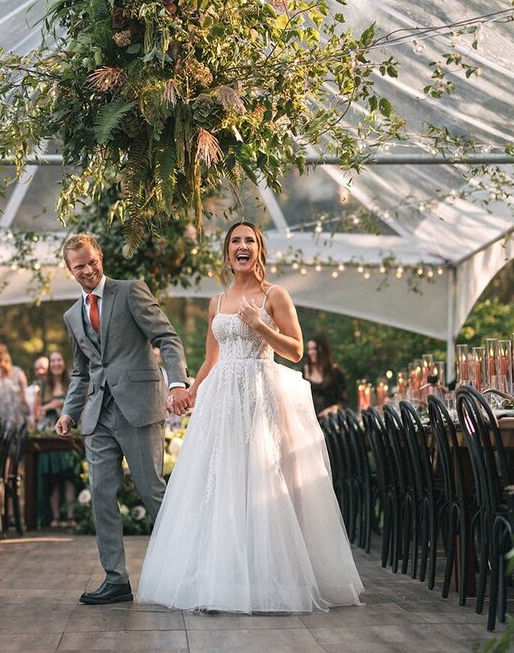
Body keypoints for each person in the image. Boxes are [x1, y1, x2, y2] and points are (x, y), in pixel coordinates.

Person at [137, 221, 362, 613]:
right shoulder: (217, 302)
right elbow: (212, 357)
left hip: (260, 393)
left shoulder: (275, 295)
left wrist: (260, 324)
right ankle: (220, 578)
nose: (242, 246)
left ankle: (269, 578)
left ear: (258, 250)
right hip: (222, 399)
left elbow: (293, 350)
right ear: (227, 253)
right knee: (221, 481)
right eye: (235, 241)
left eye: (249, 241)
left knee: (262, 479)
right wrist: (191, 389)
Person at [54, 233, 191, 606]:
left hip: (139, 405)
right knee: (100, 494)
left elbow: (166, 337)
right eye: (78, 266)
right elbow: (81, 372)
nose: (87, 269)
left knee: (151, 489)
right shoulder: (72, 315)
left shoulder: (130, 291)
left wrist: (177, 384)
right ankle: (116, 579)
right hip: (98, 415)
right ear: (70, 270)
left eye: (91, 261)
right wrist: (69, 411)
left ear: (100, 257)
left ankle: (189, 567)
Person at [38, 350, 79, 526]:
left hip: (68, 434)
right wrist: (51, 405)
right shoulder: (42, 387)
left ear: (63, 363)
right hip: (49, 436)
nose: (56, 363)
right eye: (52, 361)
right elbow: (35, 412)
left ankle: (70, 516)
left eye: (59, 360)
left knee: (69, 476)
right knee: (53, 478)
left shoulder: (71, 383)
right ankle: (55, 516)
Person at [304, 335, 348, 419]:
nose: (311, 352)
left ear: (323, 350)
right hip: (308, 421)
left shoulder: (336, 373)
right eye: (309, 349)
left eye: (314, 349)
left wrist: (332, 409)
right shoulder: (303, 372)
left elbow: (343, 401)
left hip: (331, 422)